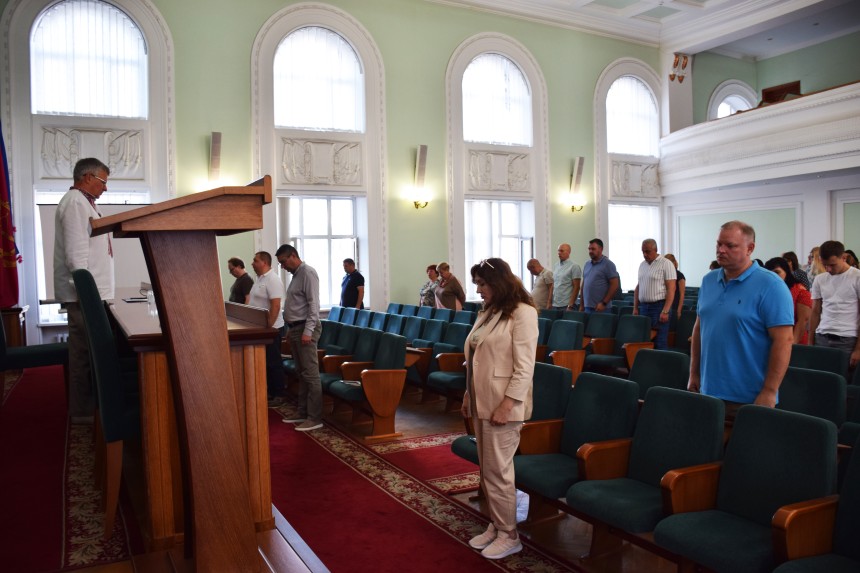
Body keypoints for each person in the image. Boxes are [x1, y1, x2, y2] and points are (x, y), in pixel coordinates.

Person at [460, 257, 537, 560]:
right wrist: (468, 394)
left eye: (482, 284)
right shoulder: (490, 311)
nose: (478, 290)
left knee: (499, 472)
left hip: (504, 405)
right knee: (488, 470)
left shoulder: (523, 313)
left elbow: (524, 367)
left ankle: (510, 535)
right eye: (477, 283)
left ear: (498, 283)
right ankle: (497, 523)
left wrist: (508, 404)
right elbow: (475, 358)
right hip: (482, 400)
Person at [688, 221, 794, 418]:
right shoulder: (708, 280)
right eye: (719, 244)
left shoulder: (771, 285)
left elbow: (784, 341)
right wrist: (694, 373)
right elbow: (699, 328)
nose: (721, 250)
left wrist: (770, 391)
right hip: (707, 391)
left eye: (730, 245)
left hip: (748, 397)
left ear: (750, 248)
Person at [54, 157, 114, 423]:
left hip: (92, 294)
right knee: (82, 354)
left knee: (89, 353)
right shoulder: (75, 203)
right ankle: (82, 412)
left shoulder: (85, 203)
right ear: (87, 177)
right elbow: (76, 256)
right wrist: (86, 295)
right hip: (84, 297)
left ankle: (91, 407)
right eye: (103, 181)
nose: (105, 188)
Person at [276, 244, 324, 432]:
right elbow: (296, 305)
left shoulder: (308, 273)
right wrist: (290, 328)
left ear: (293, 256)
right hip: (296, 328)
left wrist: (308, 331)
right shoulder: (296, 275)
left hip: (306, 328)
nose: (282, 266)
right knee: (301, 373)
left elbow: (314, 305)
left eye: (283, 262)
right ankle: (303, 411)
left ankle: (315, 418)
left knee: (311, 375)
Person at [809, 240, 860, 369]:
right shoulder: (820, 279)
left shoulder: (857, 277)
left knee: (844, 378)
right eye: (825, 265)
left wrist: (858, 349)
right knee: (820, 377)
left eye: (832, 265)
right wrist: (810, 341)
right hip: (822, 336)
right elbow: (815, 312)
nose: (828, 269)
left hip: (848, 339)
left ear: (844, 258)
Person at [249, 251, 286, 405]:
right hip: (261, 329)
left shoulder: (273, 279)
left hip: (272, 329)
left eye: (255, 260)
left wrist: (268, 327)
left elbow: (275, 305)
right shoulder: (259, 278)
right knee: (265, 362)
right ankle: (270, 392)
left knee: (273, 362)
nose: (252, 263)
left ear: (264, 262)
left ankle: (279, 394)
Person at [633, 239, 676, 349]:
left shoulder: (666, 264)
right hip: (644, 307)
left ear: (655, 249)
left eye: (647, 251)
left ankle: (662, 361)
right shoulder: (642, 265)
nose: (645, 254)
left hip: (659, 307)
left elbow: (671, 289)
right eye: (643, 251)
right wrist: (635, 307)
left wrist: (665, 311)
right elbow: (638, 287)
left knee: (660, 342)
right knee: (644, 342)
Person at [765, 257, 812, 344]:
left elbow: (803, 321)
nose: (773, 276)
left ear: (786, 272)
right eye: (769, 273)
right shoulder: (766, 291)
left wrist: (793, 345)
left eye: (777, 272)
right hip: (772, 339)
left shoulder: (800, 291)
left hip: (795, 340)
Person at [579, 239, 619, 313]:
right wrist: (581, 305)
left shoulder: (608, 264)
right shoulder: (587, 264)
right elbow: (583, 286)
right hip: (587, 307)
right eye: (589, 249)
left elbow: (615, 285)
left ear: (601, 249)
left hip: (602, 308)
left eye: (593, 249)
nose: (590, 251)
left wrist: (604, 303)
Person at [547, 244, 581, 311]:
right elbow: (553, 285)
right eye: (558, 251)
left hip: (566, 305)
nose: (559, 253)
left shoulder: (574, 266)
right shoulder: (556, 265)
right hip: (555, 304)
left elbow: (576, 287)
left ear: (569, 252)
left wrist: (570, 305)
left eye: (562, 251)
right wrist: (549, 302)